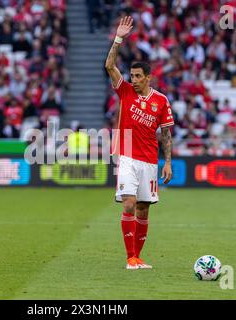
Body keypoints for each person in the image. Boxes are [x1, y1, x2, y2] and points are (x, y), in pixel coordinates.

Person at [105, 16, 174, 270]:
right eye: (131, 75)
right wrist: (118, 39)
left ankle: (137, 257)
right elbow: (109, 65)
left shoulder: (161, 101)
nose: (132, 79)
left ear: (147, 77)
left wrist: (167, 162)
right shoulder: (124, 90)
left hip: (149, 161)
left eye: (137, 76)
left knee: (144, 209)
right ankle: (129, 258)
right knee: (130, 203)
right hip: (127, 157)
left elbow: (166, 133)